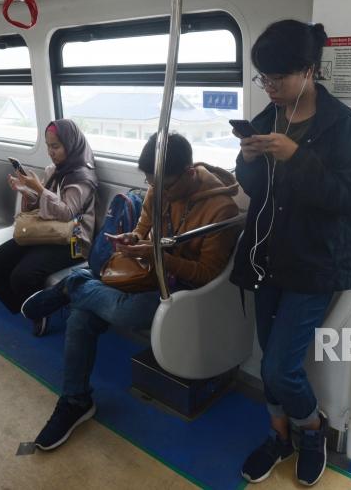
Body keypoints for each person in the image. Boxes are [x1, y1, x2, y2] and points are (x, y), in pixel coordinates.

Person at [21, 132, 239, 451]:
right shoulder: (156, 189)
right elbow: (142, 230)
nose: (157, 191)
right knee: (82, 315)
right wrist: (132, 240)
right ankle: (75, 400)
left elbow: (208, 274)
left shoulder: (222, 210)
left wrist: (163, 259)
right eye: (151, 183)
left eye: (165, 185)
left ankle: (73, 285)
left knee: (125, 310)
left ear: (189, 174)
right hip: (149, 275)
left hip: (184, 294)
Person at [230, 20, 351, 486]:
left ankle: (311, 430)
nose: (268, 88)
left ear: (308, 71)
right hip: (267, 256)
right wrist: (247, 162)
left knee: (279, 367)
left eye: (277, 79)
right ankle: (278, 436)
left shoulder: (341, 125)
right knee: (269, 355)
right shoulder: (268, 117)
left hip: (312, 263)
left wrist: (297, 157)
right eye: (262, 79)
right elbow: (254, 189)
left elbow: (347, 198)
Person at [0, 119, 97, 335]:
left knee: (22, 276)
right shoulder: (54, 169)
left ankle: (38, 311)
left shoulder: (82, 176)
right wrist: (25, 190)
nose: (51, 152)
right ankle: (28, 308)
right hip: (46, 231)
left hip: (72, 241)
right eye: (48, 146)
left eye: (56, 146)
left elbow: (66, 212)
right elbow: (43, 205)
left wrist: (40, 189)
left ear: (71, 145)